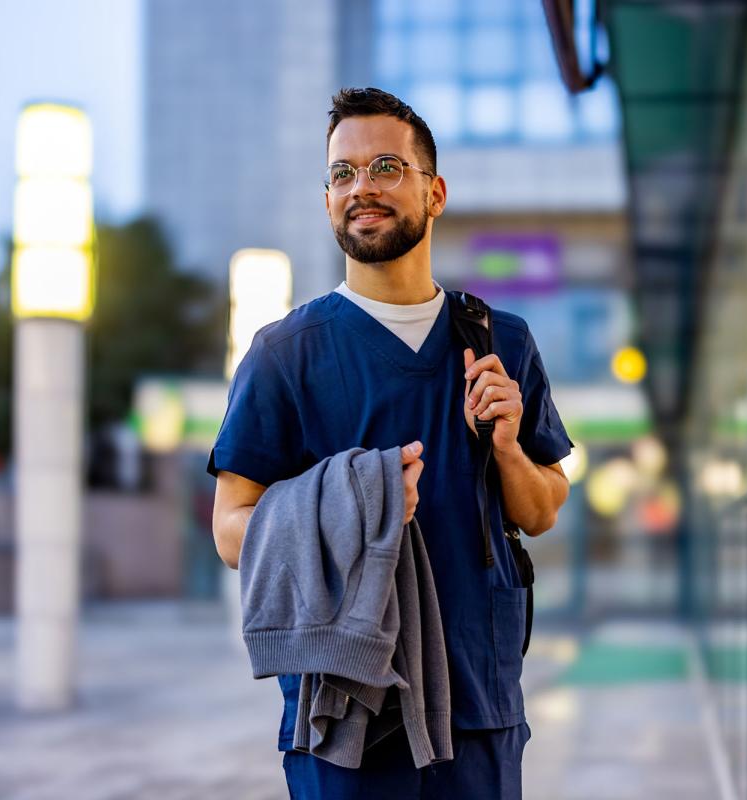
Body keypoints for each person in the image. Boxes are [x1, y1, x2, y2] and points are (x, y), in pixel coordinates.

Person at [208, 87, 572, 800]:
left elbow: (542, 509)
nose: (361, 188)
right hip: (347, 716)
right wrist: (348, 508)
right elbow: (228, 530)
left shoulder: (501, 342)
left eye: (384, 167)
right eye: (342, 173)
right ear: (326, 201)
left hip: (480, 705)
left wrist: (506, 448)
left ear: (434, 193)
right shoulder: (285, 355)